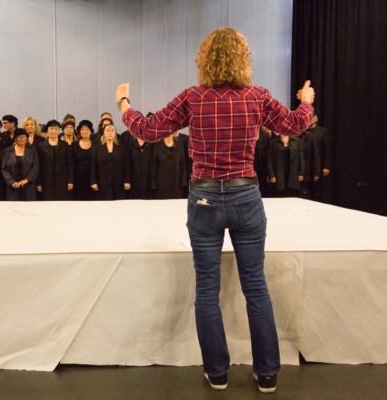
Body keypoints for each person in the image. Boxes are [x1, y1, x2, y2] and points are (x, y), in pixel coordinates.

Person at [116, 27, 314, 393]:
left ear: (205, 59)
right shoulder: (257, 97)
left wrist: (124, 105)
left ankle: (217, 372)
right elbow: (297, 124)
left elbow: (147, 129)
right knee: (255, 286)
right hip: (246, 197)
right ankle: (267, 373)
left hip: (204, 199)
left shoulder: (194, 98)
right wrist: (306, 100)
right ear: (243, 59)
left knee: (207, 289)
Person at [91, 124, 130, 200]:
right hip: (102, 183)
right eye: (107, 131)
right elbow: (94, 166)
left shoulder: (122, 147)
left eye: (112, 131)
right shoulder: (97, 148)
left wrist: (127, 181)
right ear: (104, 134)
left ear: (115, 134)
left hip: (119, 183)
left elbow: (126, 166)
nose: (110, 133)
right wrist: (93, 182)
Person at [37, 120, 73, 201]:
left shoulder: (65, 145)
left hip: (62, 182)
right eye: (51, 129)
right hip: (46, 182)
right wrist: (39, 183)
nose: (54, 131)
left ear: (59, 131)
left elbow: (69, 164)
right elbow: (39, 165)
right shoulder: (41, 146)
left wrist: (70, 181)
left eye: (56, 129)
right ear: (47, 131)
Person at [1, 128, 39, 201]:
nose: (22, 139)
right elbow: (4, 168)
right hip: (13, 187)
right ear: (15, 138)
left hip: (28, 186)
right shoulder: (7, 151)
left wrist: (26, 180)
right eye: (19, 137)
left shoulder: (32, 149)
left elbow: (36, 166)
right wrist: (11, 182)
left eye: (24, 137)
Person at [150, 133, 188, 199]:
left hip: (177, 183)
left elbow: (183, 165)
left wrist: (183, 181)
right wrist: (153, 183)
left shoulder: (179, 146)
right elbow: (154, 165)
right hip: (161, 183)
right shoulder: (157, 146)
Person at [306, 114, 331, 202]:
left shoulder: (322, 131)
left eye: (311, 117)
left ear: (316, 118)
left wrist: (326, 166)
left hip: (319, 165)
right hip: (307, 164)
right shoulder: (303, 131)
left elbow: (326, 149)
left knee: (317, 189)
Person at [72, 120, 96, 201]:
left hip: (92, 178)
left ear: (91, 132)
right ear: (79, 132)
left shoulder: (96, 144)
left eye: (87, 129)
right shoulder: (74, 144)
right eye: (82, 129)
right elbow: (71, 163)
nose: (84, 131)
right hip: (78, 179)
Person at [128, 135, 154, 200]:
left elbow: (154, 164)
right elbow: (127, 165)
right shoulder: (130, 146)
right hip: (134, 181)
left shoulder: (152, 146)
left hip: (148, 181)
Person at [298, 128, 320, 199]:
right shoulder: (292, 136)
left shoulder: (310, 137)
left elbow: (315, 155)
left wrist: (316, 172)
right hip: (295, 169)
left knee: (305, 191)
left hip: (307, 169)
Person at [253, 126, 273, 197]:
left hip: (263, 168)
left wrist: (269, 173)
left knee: (264, 189)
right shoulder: (249, 135)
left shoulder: (265, 136)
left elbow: (269, 154)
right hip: (252, 167)